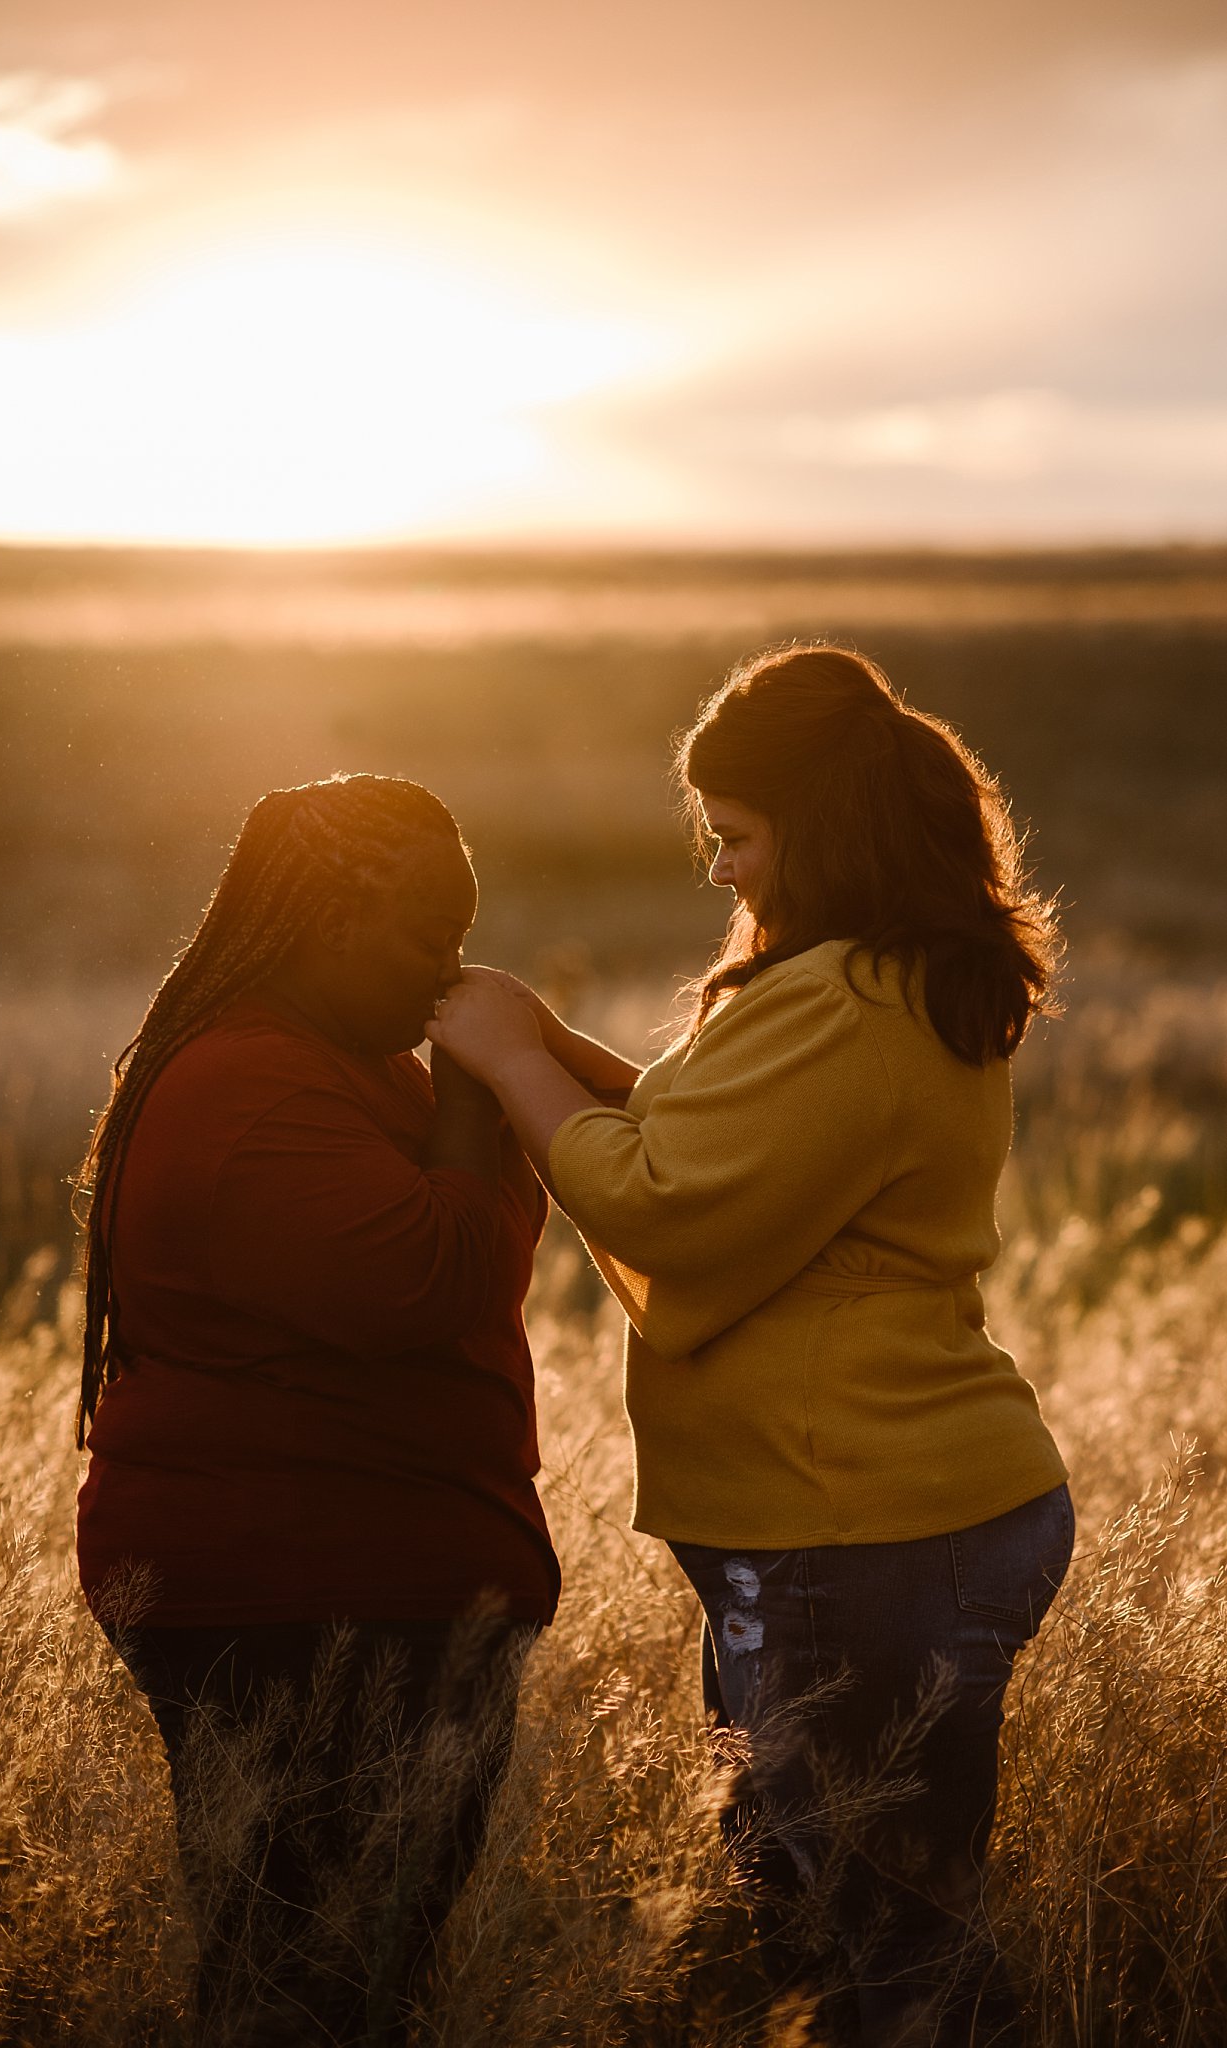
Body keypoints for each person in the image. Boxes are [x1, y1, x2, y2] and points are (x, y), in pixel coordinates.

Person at [428, 645, 1072, 2047]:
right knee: (815, 1925)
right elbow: (709, 1131)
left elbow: (672, 1197)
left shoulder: (850, 1001)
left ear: (819, 827)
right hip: (873, 1515)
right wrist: (559, 1048)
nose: (719, 871)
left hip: (864, 1524)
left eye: (737, 837)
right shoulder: (884, 981)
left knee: (895, 1945)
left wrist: (510, 1060)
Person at [74, 772, 559, 2047]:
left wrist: (516, 1061)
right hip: (305, 1607)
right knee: (310, 1987)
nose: (449, 965)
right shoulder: (253, 1089)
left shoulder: (338, 1062)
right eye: (425, 932)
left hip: (365, 1591)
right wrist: (476, 1088)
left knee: (344, 1982)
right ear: (328, 923)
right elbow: (431, 1276)